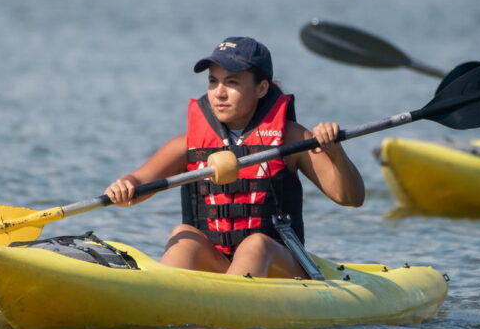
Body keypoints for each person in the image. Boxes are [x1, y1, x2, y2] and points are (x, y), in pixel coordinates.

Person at [104, 36, 365, 278]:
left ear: (261, 88)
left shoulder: (292, 138)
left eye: (232, 82)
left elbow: (351, 198)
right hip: (219, 265)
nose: (219, 92)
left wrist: (335, 151)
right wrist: (124, 185)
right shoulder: (189, 143)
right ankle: (161, 301)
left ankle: (231, 315)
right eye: (213, 81)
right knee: (184, 236)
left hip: (281, 267)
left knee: (255, 244)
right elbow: (138, 183)